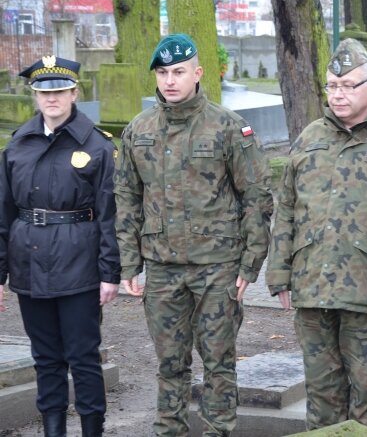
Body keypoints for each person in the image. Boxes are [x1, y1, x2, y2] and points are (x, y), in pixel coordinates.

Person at [265, 38, 367, 434]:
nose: (337, 95)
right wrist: (278, 274)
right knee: (322, 398)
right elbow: (287, 207)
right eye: (332, 86)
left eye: (347, 86)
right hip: (313, 287)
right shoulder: (310, 137)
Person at [114, 34, 273, 436]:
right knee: (169, 363)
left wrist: (250, 263)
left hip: (217, 268)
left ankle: (218, 430)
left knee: (218, 362)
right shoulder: (139, 130)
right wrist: (130, 262)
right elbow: (127, 198)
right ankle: (170, 430)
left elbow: (256, 196)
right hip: (163, 269)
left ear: (197, 73)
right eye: (163, 72)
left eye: (179, 71)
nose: (170, 80)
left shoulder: (228, 127)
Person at [0, 56, 120, 437]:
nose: (51, 99)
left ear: (73, 93)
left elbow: (109, 214)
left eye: (59, 91)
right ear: (34, 95)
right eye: (43, 92)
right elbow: (3, 212)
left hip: (79, 265)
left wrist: (109, 273)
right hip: (29, 263)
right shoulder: (17, 145)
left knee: (82, 358)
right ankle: (53, 431)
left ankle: (91, 431)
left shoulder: (99, 147)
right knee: (45, 358)